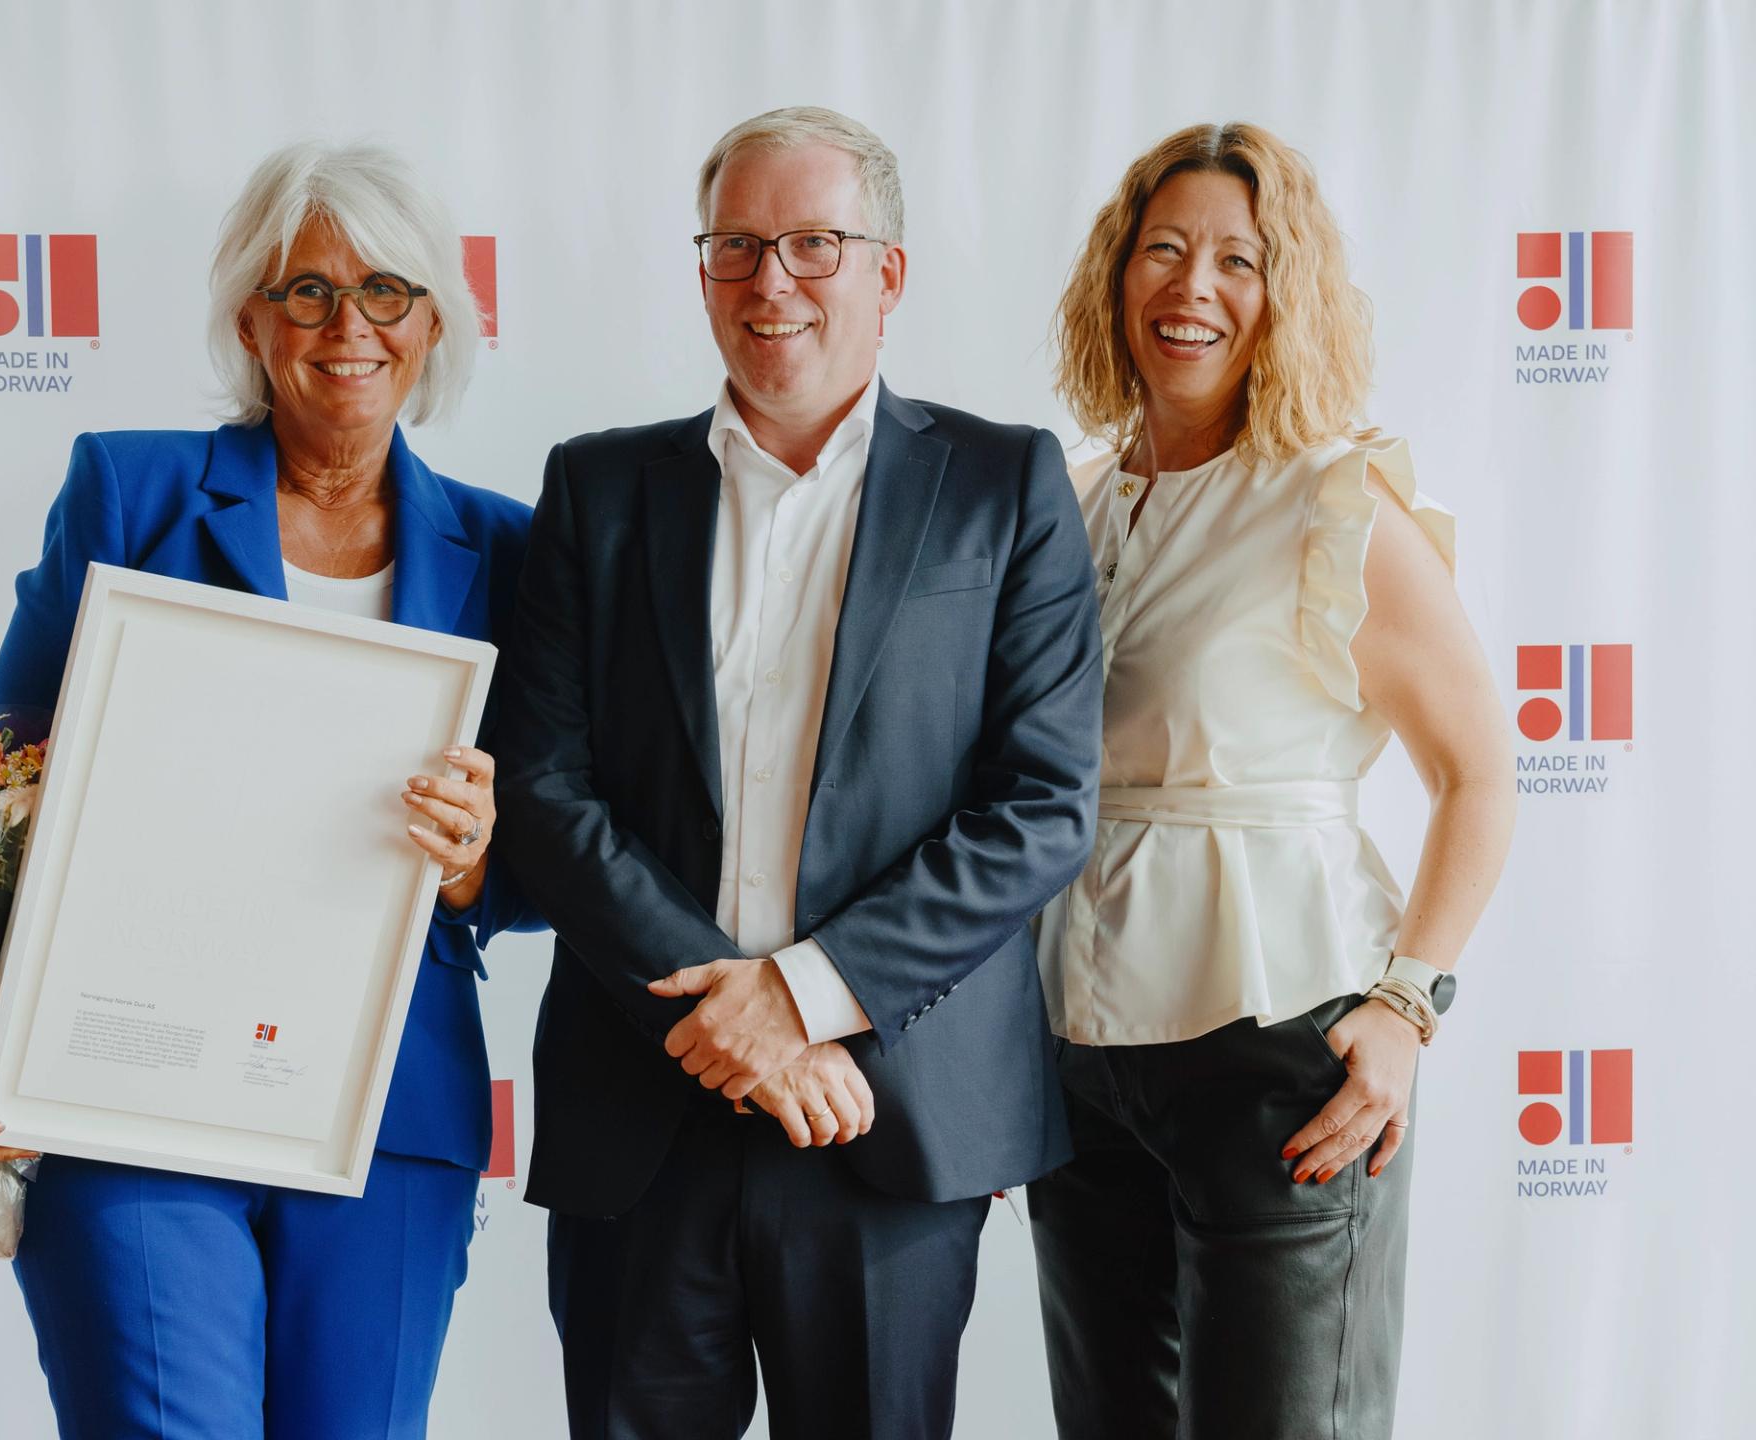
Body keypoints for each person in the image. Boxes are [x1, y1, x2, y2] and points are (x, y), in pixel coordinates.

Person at [0, 140, 538, 1440]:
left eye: (387, 291)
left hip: (386, 1115)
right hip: (130, 1096)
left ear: (433, 323)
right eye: (306, 291)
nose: (347, 326)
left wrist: (476, 860)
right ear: (250, 315)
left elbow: (544, 864)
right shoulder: (130, 493)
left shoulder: (513, 551)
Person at [493, 106, 1103, 1440]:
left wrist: (803, 999)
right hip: (642, 1105)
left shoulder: (1005, 486)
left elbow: (1042, 806)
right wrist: (731, 1029)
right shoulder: (598, 493)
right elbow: (542, 788)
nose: (772, 282)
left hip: (885, 1110)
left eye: (815, 244)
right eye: (737, 245)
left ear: (889, 274)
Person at [1027, 121, 1517, 1439]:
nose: (1193, 288)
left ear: (1283, 292)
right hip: (1078, 1059)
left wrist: (1408, 1009)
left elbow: (1478, 771)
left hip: (1280, 1047)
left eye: (1238, 261)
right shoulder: (1069, 504)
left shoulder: (1336, 500)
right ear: (1117, 274)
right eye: (1165, 249)